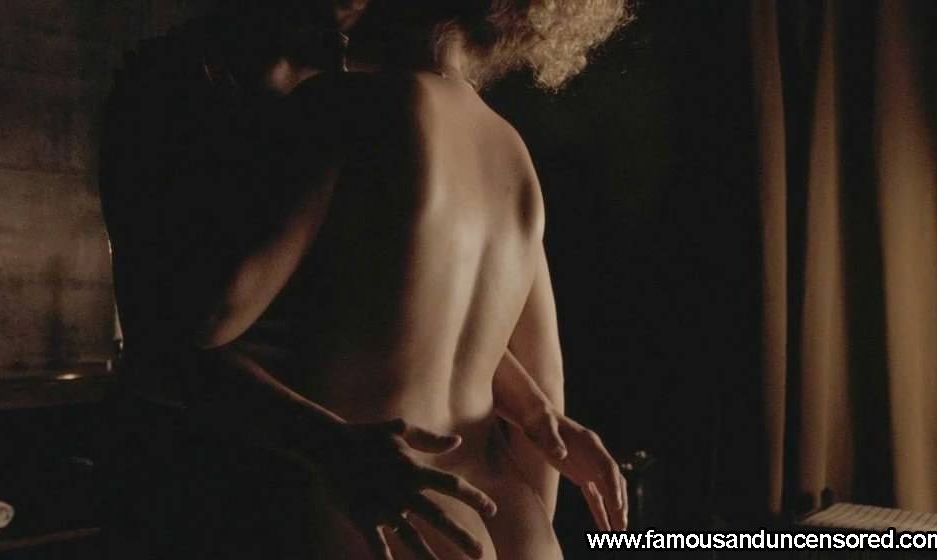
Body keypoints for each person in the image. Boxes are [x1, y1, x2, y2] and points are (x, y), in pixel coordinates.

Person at [99, 1, 628, 558]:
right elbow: (539, 392)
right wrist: (528, 412)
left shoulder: (344, 109)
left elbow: (198, 327)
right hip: (515, 522)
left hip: (391, 513)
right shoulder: (511, 150)